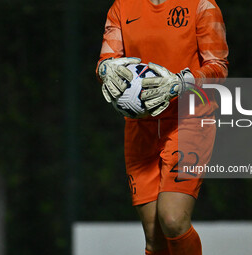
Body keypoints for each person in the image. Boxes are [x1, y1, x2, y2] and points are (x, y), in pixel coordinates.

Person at [96, 0, 229, 254]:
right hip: (139, 127)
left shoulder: (202, 6)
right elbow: (107, 60)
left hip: (189, 121)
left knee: (172, 219)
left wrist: (182, 83)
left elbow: (218, 67)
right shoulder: (121, 7)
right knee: (154, 238)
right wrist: (105, 69)